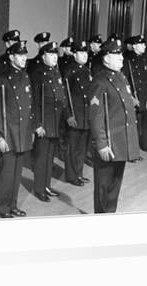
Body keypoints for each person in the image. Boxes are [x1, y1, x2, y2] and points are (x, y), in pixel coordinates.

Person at [89, 38, 140, 213]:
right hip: (109, 144)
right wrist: (101, 144)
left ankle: (110, 217)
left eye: (121, 55)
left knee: (114, 187)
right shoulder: (100, 80)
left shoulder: (121, 77)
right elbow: (96, 116)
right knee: (104, 188)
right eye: (116, 55)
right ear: (106, 58)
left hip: (120, 142)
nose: (121, 59)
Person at [0, 40, 34, 218]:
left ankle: (13, 204)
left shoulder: (25, 76)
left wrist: (30, 130)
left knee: (17, 174)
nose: (24, 58)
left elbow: (30, 107)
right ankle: (3, 207)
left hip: (22, 134)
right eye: (20, 55)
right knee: (6, 175)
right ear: (11, 57)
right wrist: (0, 137)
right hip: (9, 135)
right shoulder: (2, 78)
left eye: (25, 55)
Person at [29, 41, 66, 202]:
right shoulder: (38, 74)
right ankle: (39, 188)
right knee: (41, 158)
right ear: (43, 56)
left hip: (55, 122)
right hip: (44, 123)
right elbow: (34, 101)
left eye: (55, 54)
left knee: (50, 157)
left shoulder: (56, 72)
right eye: (50, 54)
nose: (54, 57)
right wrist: (37, 124)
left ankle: (46, 185)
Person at [122, 34, 147, 154]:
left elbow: (145, 80)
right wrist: (131, 98)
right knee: (133, 126)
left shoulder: (143, 59)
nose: (144, 46)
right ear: (135, 46)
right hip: (134, 97)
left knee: (146, 124)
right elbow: (125, 81)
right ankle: (132, 152)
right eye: (141, 44)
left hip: (143, 97)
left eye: (144, 44)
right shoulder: (127, 60)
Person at [62, 40, 92, 186]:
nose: (84, 55)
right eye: (81, 52)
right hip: (75, 115)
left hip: (86, 115)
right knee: (73, 148)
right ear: (74, 54)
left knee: (82, 148)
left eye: (86, 52)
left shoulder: (87, 71)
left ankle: (78, 174)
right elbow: (65, 96)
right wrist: (68, 115)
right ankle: (71, 175)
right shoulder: (69, 71)